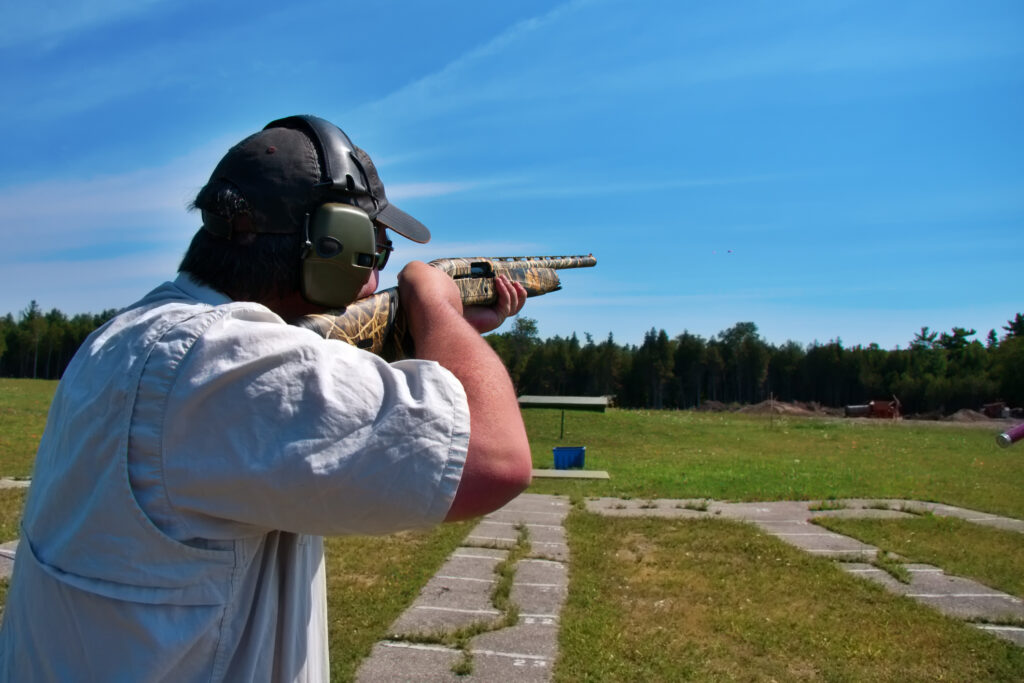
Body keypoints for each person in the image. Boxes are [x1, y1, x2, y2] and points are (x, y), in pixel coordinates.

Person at [0, 115, 533, 682]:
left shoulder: (132, 338)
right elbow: (493, 459)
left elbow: (313, 370)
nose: (377, 278)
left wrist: (429, 332)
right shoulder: (214, 360)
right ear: (332, 243)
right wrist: (436, 303)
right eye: (373, 250)